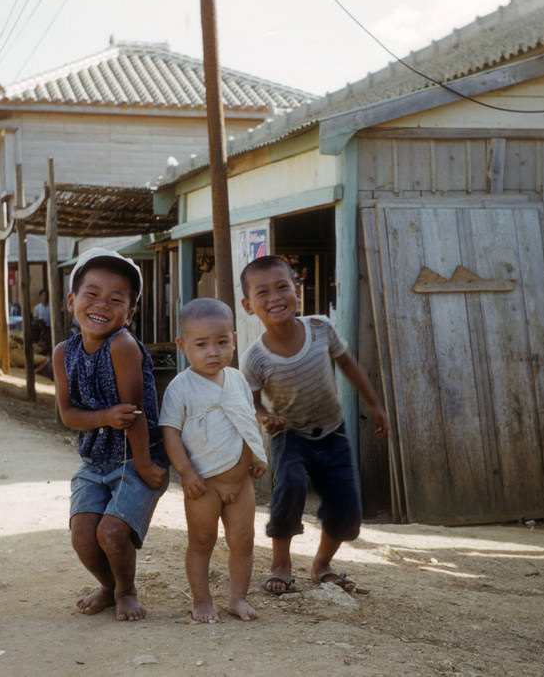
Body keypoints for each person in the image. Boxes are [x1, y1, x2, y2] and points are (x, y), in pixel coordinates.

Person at [239, 255, 388, 595]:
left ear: (297, 292)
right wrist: (265, 417)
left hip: (333, 431)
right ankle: (280, 563)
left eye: (282, 287)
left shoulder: (321, 328)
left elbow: (347, 365)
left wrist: (375, 405)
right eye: (263, 292)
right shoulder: (255, 358)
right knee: (289, 486)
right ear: (249, 306)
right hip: (289, 434)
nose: (275, 297)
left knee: (346, 506)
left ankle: (322, 564)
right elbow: (252, 401)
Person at [52, 247, 168, 621]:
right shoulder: (62, 353)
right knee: (83, 535)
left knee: (113, 532)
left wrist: (147, 466)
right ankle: (109, 586)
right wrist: (104, 416)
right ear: (72, 301)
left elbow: (133, 414)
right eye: (92, 294)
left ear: (129, 314)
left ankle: (127, 591)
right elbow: (68, 415)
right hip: (94, 459)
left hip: (138, 459)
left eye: (116, 300)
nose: (102, 304)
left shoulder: (122, 345)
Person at [160, 298, 268, 623]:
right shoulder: (180, 387)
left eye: (222, 342)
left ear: (233, 340)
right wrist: (185, 471)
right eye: (201, 344)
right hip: (203, 485)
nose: (213, 352)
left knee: (244, 542)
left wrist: (257, 455)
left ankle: (237, 598)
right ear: (183, 346)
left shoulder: (236, 379)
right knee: (202, 542)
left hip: (241, 483)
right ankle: (202, 600)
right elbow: (170, 432)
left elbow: (244, 420)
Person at [32, 288, 52, 355]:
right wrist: (40, 322)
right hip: (40, 329)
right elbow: (34, 320)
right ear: (40, 297)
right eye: (43, 296)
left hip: (50, 328)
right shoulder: (37, 308)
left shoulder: (51, 307)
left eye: (46, 295)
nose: (44, 297)